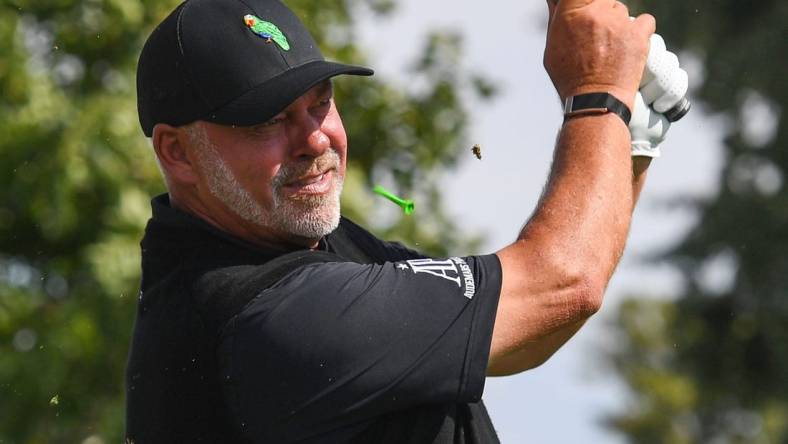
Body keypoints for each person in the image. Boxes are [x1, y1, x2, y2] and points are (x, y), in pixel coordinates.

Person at [126, 0, 678, 442]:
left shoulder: (301, 245)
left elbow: (529, 329)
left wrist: (629, 140)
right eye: (268, 120)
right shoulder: (269, 317)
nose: (315, 140)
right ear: (176, 152)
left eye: (320, 103)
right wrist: (599, 93)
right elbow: (560, 284)